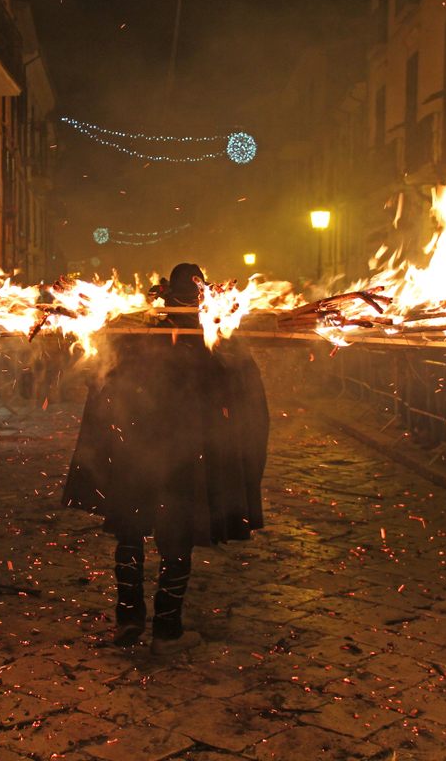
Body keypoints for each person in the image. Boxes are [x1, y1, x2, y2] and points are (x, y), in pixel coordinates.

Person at [63, 262, 269, 654]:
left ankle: (129, 618)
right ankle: (166, 627)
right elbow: (243, 392)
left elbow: (104, 381)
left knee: (131, 532)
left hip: (137, 449)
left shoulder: (140, 335)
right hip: (183, 454)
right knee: (176, 539)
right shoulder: (212, 337)